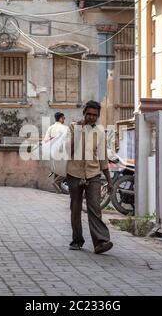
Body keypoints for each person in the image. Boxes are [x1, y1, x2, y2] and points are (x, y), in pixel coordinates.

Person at [66, 100, 114, 254]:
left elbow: (102, 157)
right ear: (84, 113)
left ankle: (101, 241)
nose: (92, 117)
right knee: (76, 208)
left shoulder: (100, 132)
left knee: (95, 208)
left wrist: (109, 179)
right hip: (74, 173)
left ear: (98, 116)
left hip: (93, 174)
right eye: (89, 114)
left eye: (95, 115)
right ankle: (77, 240)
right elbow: (69, 150)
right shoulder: (73, 127)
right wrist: (80, 131)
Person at [44, 112, 67, 193]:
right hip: (62, 152)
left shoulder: (50, 128)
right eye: (63, 118)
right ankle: (56, 182)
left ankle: (58, 191)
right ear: (60, 118)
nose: (64, 120)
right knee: (66, 170)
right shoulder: (65, 128)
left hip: (52, 152)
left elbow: (45, 141)